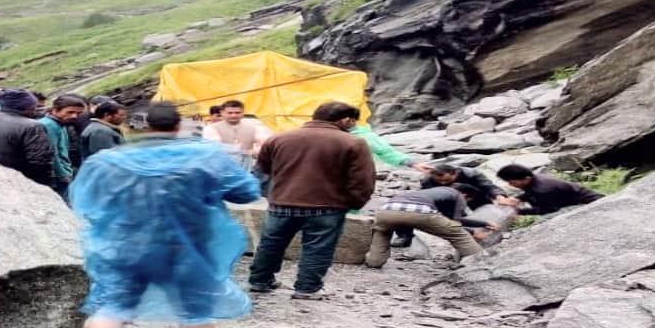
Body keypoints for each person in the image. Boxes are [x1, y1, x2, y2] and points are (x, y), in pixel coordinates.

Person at [68, 102, 262, 328]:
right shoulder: (206, 156)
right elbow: (246, 191)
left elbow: (84, 200)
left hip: (124, 245)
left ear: (140, 127)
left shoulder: (107, 160)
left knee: (111, 305)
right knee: (196, 305)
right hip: (189, 246)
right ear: (177, 127)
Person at [248, 102, 377, 300]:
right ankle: (307, 289)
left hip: (282, 203)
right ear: (346, 120)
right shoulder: (353, 143)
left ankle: (259, 282)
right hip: (328, 207)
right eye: (353, 121)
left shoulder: (279, 138)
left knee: (271, 244)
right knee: (318, 248)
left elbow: (261, 171)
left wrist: (272, 195)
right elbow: (362, 180)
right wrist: (354, 203)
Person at [365, 183, 499, 269]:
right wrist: (473, 232)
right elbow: (455, 221)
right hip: (419, 212)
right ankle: (478, 264)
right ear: (465, 195)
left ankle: (374, 261)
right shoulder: (458, 195)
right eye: (468, 200)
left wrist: (483, 223)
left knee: (382, 234)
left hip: (386, 210)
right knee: (458, 234)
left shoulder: (430, 192)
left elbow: (444, 219)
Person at [391, 162, 507, 248]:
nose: (443, 183)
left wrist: (499, 196)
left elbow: (487, 186)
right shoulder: (428, 181)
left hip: (474, 195)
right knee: (416, 210)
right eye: (439, 181)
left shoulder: (471, 174)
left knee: (483, 210)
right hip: (445, 199)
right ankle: (404, 237)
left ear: (455, 173)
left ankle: (484, 228)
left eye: (446, 180)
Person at [0, 89, 54, 186]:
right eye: (34, 106)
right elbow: (40, 161)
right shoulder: (32, 126)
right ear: (28, 106)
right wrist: (44, 186)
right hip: (18, 182)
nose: (36, 109)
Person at [496, 164, 604, 214]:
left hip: (592, 204)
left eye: (512, 182)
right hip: (574, 199)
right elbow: (531, 193)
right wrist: (518, 199)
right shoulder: (534, 179)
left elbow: (548, 209)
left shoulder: (543, 189)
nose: (510, 185)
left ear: (526, 178)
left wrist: (518, 211)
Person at [202, 99, 273, 170]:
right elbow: (215, 147)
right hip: (221, 169)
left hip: (247, 169)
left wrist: (258, 150)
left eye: (237, 112)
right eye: (230, 113)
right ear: (222, 113)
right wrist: (246, 151)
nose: (233, 115)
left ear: (243, 113)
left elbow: (265, 143)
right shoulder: (211, 128)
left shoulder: (253, 127)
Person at [39, 95, 87, 199]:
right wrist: (62, 174)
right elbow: (52, 153)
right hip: (57, 176)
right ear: (56, 110)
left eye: (79, 113)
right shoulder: (49, 125)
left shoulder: (61, 123)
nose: (75, 116)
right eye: (70, 112)